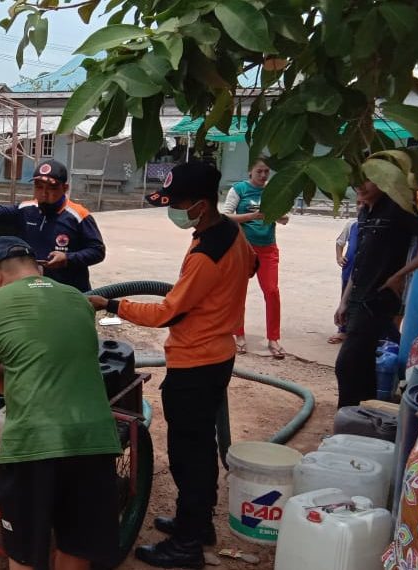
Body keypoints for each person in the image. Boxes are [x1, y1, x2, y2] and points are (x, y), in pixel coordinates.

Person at [89, 161, 257, 569]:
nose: (173, 210)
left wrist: (111, 304)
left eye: (178, 203)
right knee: (198, 447)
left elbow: (167, 313)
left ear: (200, 205)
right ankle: (196, 525)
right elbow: (250, 267)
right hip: (216, 353)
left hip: (196, 363)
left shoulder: (207, 253)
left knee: (189, 454)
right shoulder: (230, 232)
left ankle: (187, 546)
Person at [0, 235, 122, 570]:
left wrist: (19, 396)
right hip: (94, 440)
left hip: (32, 442)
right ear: (39, 269)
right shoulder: (79, 299)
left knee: (25, 553)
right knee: (77, 545)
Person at [0, 159, 106, 293]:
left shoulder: (78, 216)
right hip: (35, 290)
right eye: (39, 187)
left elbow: (97, 251)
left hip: (71, 291)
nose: (44, 193)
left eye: (52, 188)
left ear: (65, 188)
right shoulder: (27, 210)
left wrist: (68, 259)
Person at [335, 179, 418, 408]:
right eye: (355, 180)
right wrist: (345, 301)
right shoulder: (364, 212)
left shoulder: (398, 207)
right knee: (364, 360)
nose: (359, 186)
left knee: (346, 364)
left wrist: (400, 274)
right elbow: (360, 260)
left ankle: (345, 416)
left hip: (379, 297)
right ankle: (364, 415)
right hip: (358, 296)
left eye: (366, 180)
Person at [221, 157, 288, 358]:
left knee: (272, 291)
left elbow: (285, 218)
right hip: (243, 249)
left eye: (267, 171)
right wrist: (252, 216)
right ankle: (239, 335)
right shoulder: (239, 189)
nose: (263, 175)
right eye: (259, 171)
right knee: (238, 292)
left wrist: (272, 214)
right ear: (250, 171)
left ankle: (274, 339)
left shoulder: (272, 190)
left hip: (268, 248)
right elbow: (225, 217)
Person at [329, 203, 362, 344]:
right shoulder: (352, 224)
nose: (361, 206)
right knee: (345, 298)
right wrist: (339, 257)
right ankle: (342, 330)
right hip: (349, 269)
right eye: (358, 203)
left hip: (366, 270)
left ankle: (357, 331)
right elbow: (340, 242)